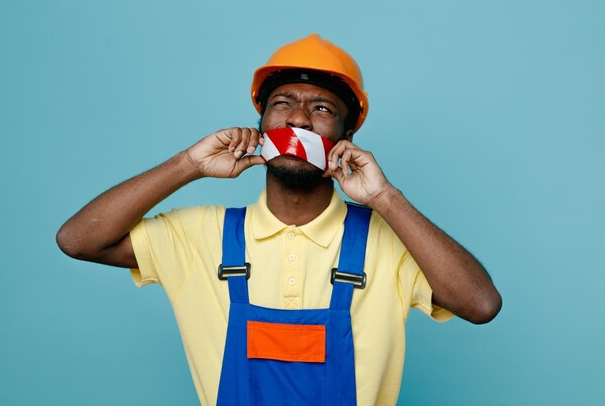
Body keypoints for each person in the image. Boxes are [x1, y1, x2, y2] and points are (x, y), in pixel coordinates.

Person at [57, 34, 502, 406]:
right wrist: (188, 163)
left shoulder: (388, 242)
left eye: (322, 109)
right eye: (282, 103)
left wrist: (386, 198)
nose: (298, 119)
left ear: (346, 138)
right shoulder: (199, 235)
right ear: (262, 125)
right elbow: (78, 240)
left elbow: (481, 305)